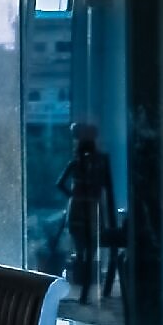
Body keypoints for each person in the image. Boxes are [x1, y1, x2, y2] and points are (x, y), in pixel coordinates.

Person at [56, 123, 114, 299]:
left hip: (77, 209)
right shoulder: (99, 165)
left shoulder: (75, 164)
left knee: (82, 250)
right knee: (90, 250)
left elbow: (60, 184)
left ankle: (83, 290)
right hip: (91, 209)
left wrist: (73, 196)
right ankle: (85, 290)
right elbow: (107, 189)